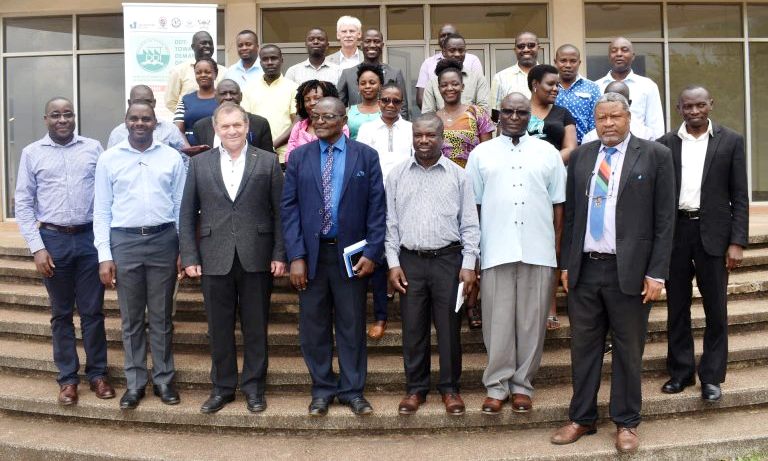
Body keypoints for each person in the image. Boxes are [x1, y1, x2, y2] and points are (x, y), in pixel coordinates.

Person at [551, 93, 675, 454]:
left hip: (632, 274)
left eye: (614, 117)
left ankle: (626, 422)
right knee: (583, 349)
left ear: (628, 117)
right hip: (586, 270)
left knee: (628, 350)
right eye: (601, 117)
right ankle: (582, 417)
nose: (607, 123)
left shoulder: (655, 156)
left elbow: (665, 221)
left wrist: (657, 273)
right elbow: (571, 216)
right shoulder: (582, 156)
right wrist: (566, 265)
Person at [281, 97, 386, 417]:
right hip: (312, 258)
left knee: (352, 326)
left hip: (351, 259)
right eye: (316, 116)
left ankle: (353, 391)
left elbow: (377, 208)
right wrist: (296, 255)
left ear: (344, 120)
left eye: (328, 116)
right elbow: (289, 209)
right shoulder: (298, 157)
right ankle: (323, 389)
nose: (320, 120)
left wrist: (371, 252)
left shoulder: (365, 157)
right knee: (313, 328)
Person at [180, 102, 285, 414]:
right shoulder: (199, 164)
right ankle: (222, 388)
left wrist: (280, 253)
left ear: (247, 126)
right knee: (219, 327)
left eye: (237, 125)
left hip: (257, 256)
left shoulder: (267, 161)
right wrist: (189, 255)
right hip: (214, 257)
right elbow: (186, 215)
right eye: (225, 126)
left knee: (256, 327)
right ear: (216, 130)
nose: (232, 131)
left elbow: (281, 214)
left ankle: (254, 388)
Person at [466, 93, 566, 415]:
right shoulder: (481, 154)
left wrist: (557, 251)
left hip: (539, 248)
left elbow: (558, 207)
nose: (513, 117)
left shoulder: (548, 153)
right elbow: (473, 208)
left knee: (531, 323)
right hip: (496, 248)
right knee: (497, 322)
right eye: (507, 111)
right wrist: (476, 255)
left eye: (521, 112)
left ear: (529, 117)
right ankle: (496, 386)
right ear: (498, 116)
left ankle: (523, 386)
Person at [15, 97, 114, 406]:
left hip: (88, 240)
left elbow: (105, 196)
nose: (62, 119)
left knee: (93, 312)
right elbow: (23, 203)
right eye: (56, 115)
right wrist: (37, 247)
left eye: (68, 114)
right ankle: (68, 380)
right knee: (60, 314)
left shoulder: (93, 148)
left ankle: (97, 374)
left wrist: (105, 245)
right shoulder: (31, 153)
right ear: (46, 119)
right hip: (53, 241)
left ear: (75, 117)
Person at [656, 85, 748, 402]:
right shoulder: (665, 145)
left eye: (700, 105)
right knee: (677, 308)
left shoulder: (731, 141)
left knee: (716, 310)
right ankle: (681, 372)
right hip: (677, 234)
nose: (694, 111)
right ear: (678, 108)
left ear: (711, 104)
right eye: (688, 106)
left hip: (715, 236)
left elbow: (739, 195)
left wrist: (737, 241)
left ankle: (712, 377)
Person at [94, 102, 187, 410]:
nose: (140, 123)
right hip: (125, 242)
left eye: (146, 118)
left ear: (155, 123)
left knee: (161, 317)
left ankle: (163, 380)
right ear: (126, 122)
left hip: (163, 240)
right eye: (134, 118)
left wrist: (181, 248)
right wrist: (104, 255)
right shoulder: (109, 159)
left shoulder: (171, 157)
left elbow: (180, 207)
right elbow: (102, 210)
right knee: (131, 319)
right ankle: (135, 384)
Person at [387, 113, 480, 416]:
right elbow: (390, 225)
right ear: (412, 137)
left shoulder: (458, 175)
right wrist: (392, 263)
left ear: (442, 138)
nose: (423, 140)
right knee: (413, 328)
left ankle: (450, 389)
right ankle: (416, 389)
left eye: (430, 135)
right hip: (410, 261)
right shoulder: (397, 175)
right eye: (418, 135)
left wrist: (468, 264)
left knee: (449, 329)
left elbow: (469, 224)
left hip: (448, 262)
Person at [356, 83, 413, 340]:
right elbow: (360, 164)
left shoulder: (412, 130)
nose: (391, 105)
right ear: (378, 102)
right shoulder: (367, 129)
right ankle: (380, 316)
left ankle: (409, 314)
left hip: (407, 199)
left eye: (396, 101)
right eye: (386, 100)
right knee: (378, 257)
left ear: (403, 104)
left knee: (406, 256)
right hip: (373, 200)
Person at [526, 64, 577, 333]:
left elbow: (571, 148)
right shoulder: (518, 111)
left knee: (555, 242)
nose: (556, 89)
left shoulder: (563, 113)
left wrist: (545, 162)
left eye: (557, 85)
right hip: (524, 186)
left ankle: (551, 305)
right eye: (550, 84)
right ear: (534, 85)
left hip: (555, 184)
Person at [596, 37, 665, 139]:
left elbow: (655, 125)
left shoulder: (648, 85)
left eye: (624, 50)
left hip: (641, 148)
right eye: (614, 51)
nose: (619, 54)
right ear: (609, 56)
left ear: (633, 56)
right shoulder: (596, 86)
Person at [431, 59, 494, 168]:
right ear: (439, 89)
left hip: (471, 178)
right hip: (441, 179)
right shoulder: (432, 119)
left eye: (455, 84)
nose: (449, 88)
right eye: (444, 85)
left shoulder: (477, 114)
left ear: (462, 87)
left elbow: (487, 153)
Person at [243, 45, 299, 164]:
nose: (269, 62)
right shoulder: (249, 88)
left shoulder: (293, 88)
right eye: (265, 59)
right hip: (255, 155)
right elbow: (246, 122)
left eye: (274, 58)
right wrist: (262, 148)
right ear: (260, 62)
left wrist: (273, 145)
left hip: (284, 155)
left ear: (281, 60)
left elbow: (296, 122)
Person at [337, 29, 409, 120]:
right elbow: (338, 108)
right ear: (361, 45)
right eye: (367, 41)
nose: (372, 45)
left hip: (388, 128)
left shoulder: (395, 73)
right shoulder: (348, 74)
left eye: (376, 41)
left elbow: (403, 108)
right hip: (356, 129)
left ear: (382, 45)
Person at [191, 79, 273, 152]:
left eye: (233, 93)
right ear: (215, 97)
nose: (228, 97)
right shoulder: (201, 127)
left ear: (241, 96)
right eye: (223, 93)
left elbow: (267, 161)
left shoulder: (260, 124)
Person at [416, 24, 483, 109]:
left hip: (469, 119)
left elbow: (481, 94)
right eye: (443, 36)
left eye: (449, 35)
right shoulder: (428, 63)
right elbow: (421, 98)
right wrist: (439, 118)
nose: (446, 38)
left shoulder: (473, 60)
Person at [108, 85, 189, 153]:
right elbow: (110, 160)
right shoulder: (117, 133)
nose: (143, 105)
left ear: (154, 103)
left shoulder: (171, 130)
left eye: (148, 101)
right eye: (138, 101)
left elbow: (184, 158)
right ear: (129, 103)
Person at [284, 80, 349, 163]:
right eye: (307, 100)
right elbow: (289, 157)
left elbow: (342, 155)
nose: (311, 103)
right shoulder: (298, 127)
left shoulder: (340, 126)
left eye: (317, 98)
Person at [165, 31, 227, 113]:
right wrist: (188, 115)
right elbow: (171, 101)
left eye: (210, 43)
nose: (208, 46)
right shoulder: (178, 71)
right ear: (193, 47)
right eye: (203, 43)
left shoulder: (224, 71)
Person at [553, 44, 602, 144]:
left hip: (583, 147)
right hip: (553, 147)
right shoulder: (548, 87)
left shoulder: (592, 87)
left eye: (573, 61)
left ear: (579, 63)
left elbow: (596, 120)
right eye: (563, 60)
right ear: (555, 62)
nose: (568, 65)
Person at [582, 81, 655, 143]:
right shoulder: (590, 138)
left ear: (629, 103)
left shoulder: (645, 135)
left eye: (620, 100)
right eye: (608, 99)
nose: (608, 123)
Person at [174, 58, 219, 144]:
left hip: (217, 151)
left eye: (207, 72)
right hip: (189, 151)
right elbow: (178, 130)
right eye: (198, 72)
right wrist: (188, 150)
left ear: (215, 74)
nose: (203, 75)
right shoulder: (186, 99)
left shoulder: (223, 98)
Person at [491, 31, 540, 110]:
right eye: (521, 46)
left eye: (531, 45)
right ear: (515, 50)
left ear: (538, 48)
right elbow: (494, 112)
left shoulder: (550, 76)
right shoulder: (500, 78)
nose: (526, 49)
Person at [347, 63, 383, 140]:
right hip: (354, 151)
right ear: (358, 86)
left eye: (372, 83)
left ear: (380, 86)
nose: (367, 86)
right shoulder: (348, 112)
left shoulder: (387, 110)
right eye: (363, 83)